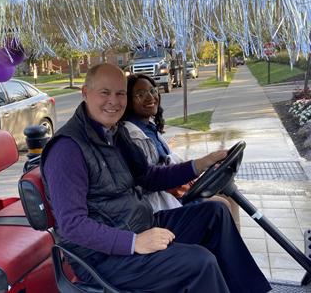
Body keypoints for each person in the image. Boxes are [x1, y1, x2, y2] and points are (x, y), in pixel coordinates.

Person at [41, 63, 271, 292]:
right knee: (199, 262)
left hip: (139, 225)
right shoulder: (67, 149)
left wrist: (200, 164)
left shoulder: (114, 133)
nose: (114, 101)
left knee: (215, 213)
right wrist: (134, 243)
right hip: (102, 258)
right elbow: (72, 225)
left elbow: (148, 177)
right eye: (105, 92)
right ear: (85, 93)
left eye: (120, 93)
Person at [122, 73, 240, 229]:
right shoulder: (132, 136)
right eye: (140, 94)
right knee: (222, 205)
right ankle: (226, 248)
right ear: (128, 101)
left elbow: (172, 160)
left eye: (152, 91)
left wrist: (203, 168)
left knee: (230, 194)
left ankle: (233, 244)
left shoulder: (149, 127)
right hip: (160, 205)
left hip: (175, 191)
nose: (150, 97)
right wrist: (195, 169)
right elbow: (152, 178)